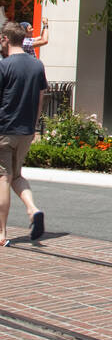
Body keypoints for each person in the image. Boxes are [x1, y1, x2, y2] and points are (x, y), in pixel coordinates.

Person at [0, 22, 48, 246]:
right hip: (26, 131)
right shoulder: (37, 65)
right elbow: (40, 100)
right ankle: (33, 209)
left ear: (7, 40)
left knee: (3, 178)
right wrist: (33, 127)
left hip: (4, 130)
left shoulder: (4, 66)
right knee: (16, 176)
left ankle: (1, 233)